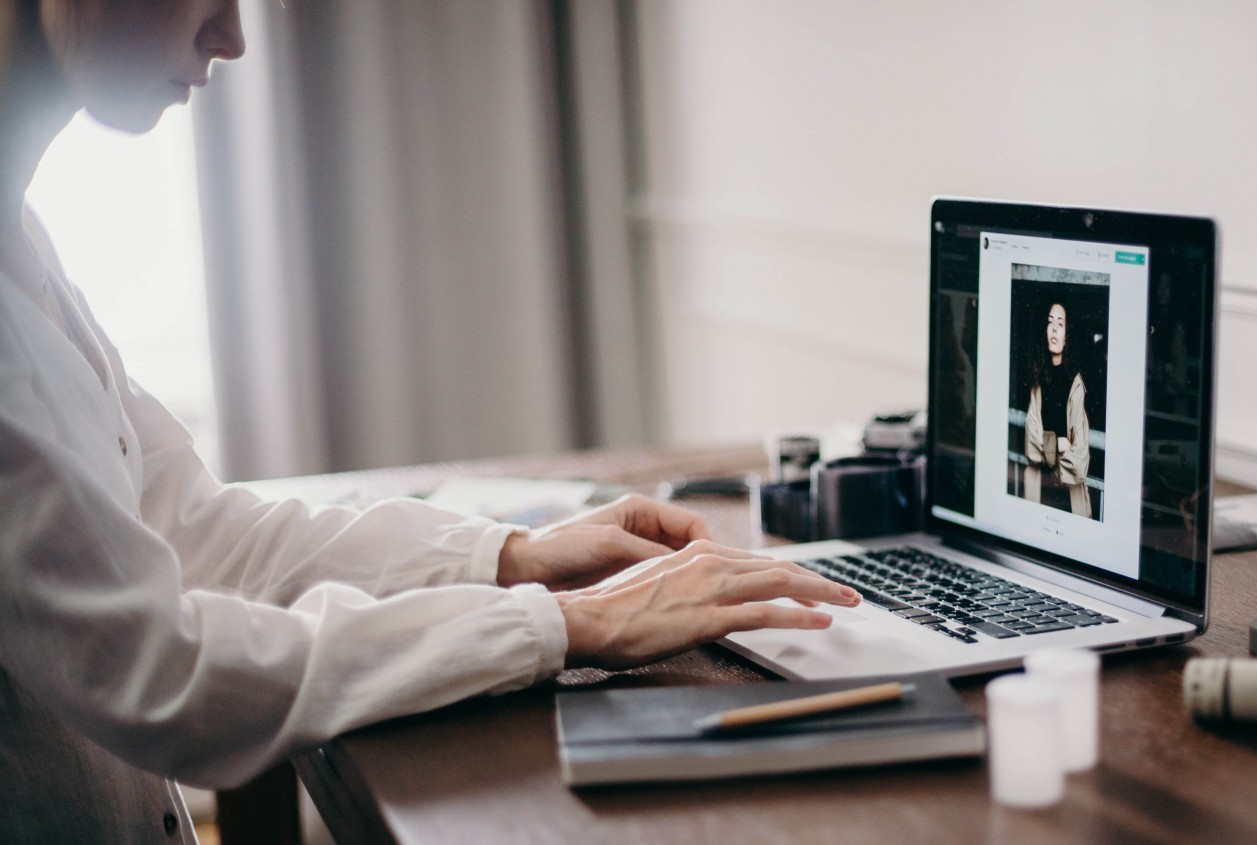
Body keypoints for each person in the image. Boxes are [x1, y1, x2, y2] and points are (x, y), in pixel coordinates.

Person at [0, 2, 858, 842]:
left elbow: (200, 530)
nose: (232, 36)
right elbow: (160, 671)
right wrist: (569, 624)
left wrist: (512, 558)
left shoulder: (21, 235)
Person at [1022, 300, 1092, 517]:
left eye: (1060, 324)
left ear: (1067, 334)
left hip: (1069, 502)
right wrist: (1058, 443)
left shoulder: (1076, 385)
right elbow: (1030, 447)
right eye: (1050, 322)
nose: (1053, 329)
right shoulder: (1037, 381)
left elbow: (1080, 463)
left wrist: (1048, 458)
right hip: (1038, 495)